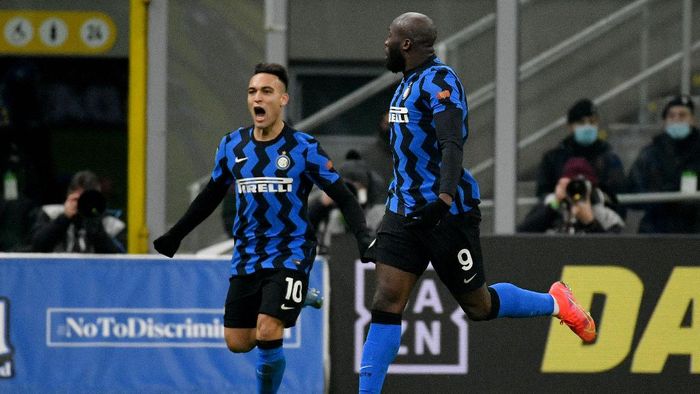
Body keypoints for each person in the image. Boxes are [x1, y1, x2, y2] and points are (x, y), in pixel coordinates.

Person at [359, 13, 596, 393]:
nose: (384, 42)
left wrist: (444, 198)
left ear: (405, 44)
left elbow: (451, 144)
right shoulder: (404, 85)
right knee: (387, 299)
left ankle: (557, 303)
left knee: (479, 306)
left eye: (389, 36)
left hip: (447, 213)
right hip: (404, 211)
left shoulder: (441, 81)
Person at [153, 63, 371, 394]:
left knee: (268, 329)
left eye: (267, 91)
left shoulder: (303, 147)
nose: (258, 97)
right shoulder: (231, 146)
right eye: (253, 91)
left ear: (282, 99)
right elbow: (209, 197)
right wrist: (175, 234)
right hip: (248, 254)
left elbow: (343, 195)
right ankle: (301, 299)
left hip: (291, 251)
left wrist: (364, 237)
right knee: (238, 342)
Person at [627, 94, 700, 233]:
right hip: (656, 232)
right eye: (671, 116)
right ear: (665, 121)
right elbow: (632, 192)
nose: (677, 119)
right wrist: (658, 197)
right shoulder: (650, 154)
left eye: (682, 115)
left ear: (692, 120)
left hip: (694, 232)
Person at [535, 98, 626, 203]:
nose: (587, 127)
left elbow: (618, 195)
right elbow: (543, 193)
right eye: (581, 122)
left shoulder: (609, 158)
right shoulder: (553, 158)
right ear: (570, 126)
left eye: (592, 122)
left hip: (600, 216)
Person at [518, 157, 624, 233]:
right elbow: (522, 234)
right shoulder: (552, 206)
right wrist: (554, 205)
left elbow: (612, 253)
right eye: (572, 185)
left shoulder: (606, 217)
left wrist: (590, 222)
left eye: (582, 186)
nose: (577, 191)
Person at [30, 170, 125, 253]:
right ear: (69, 196)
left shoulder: (112, 224)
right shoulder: (50, 214)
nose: (84, 204)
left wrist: (94, 223)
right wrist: (64, 218)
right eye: (79, 199)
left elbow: (118, 261)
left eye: (90, 200)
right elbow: (37, 248)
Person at [308, 149, 386, 249]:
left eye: (358, 185)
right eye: (346, 186)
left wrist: (360, 202)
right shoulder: (330, 212)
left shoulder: (379, 213)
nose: (352, 191)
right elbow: (304, 231)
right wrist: (320, 206)